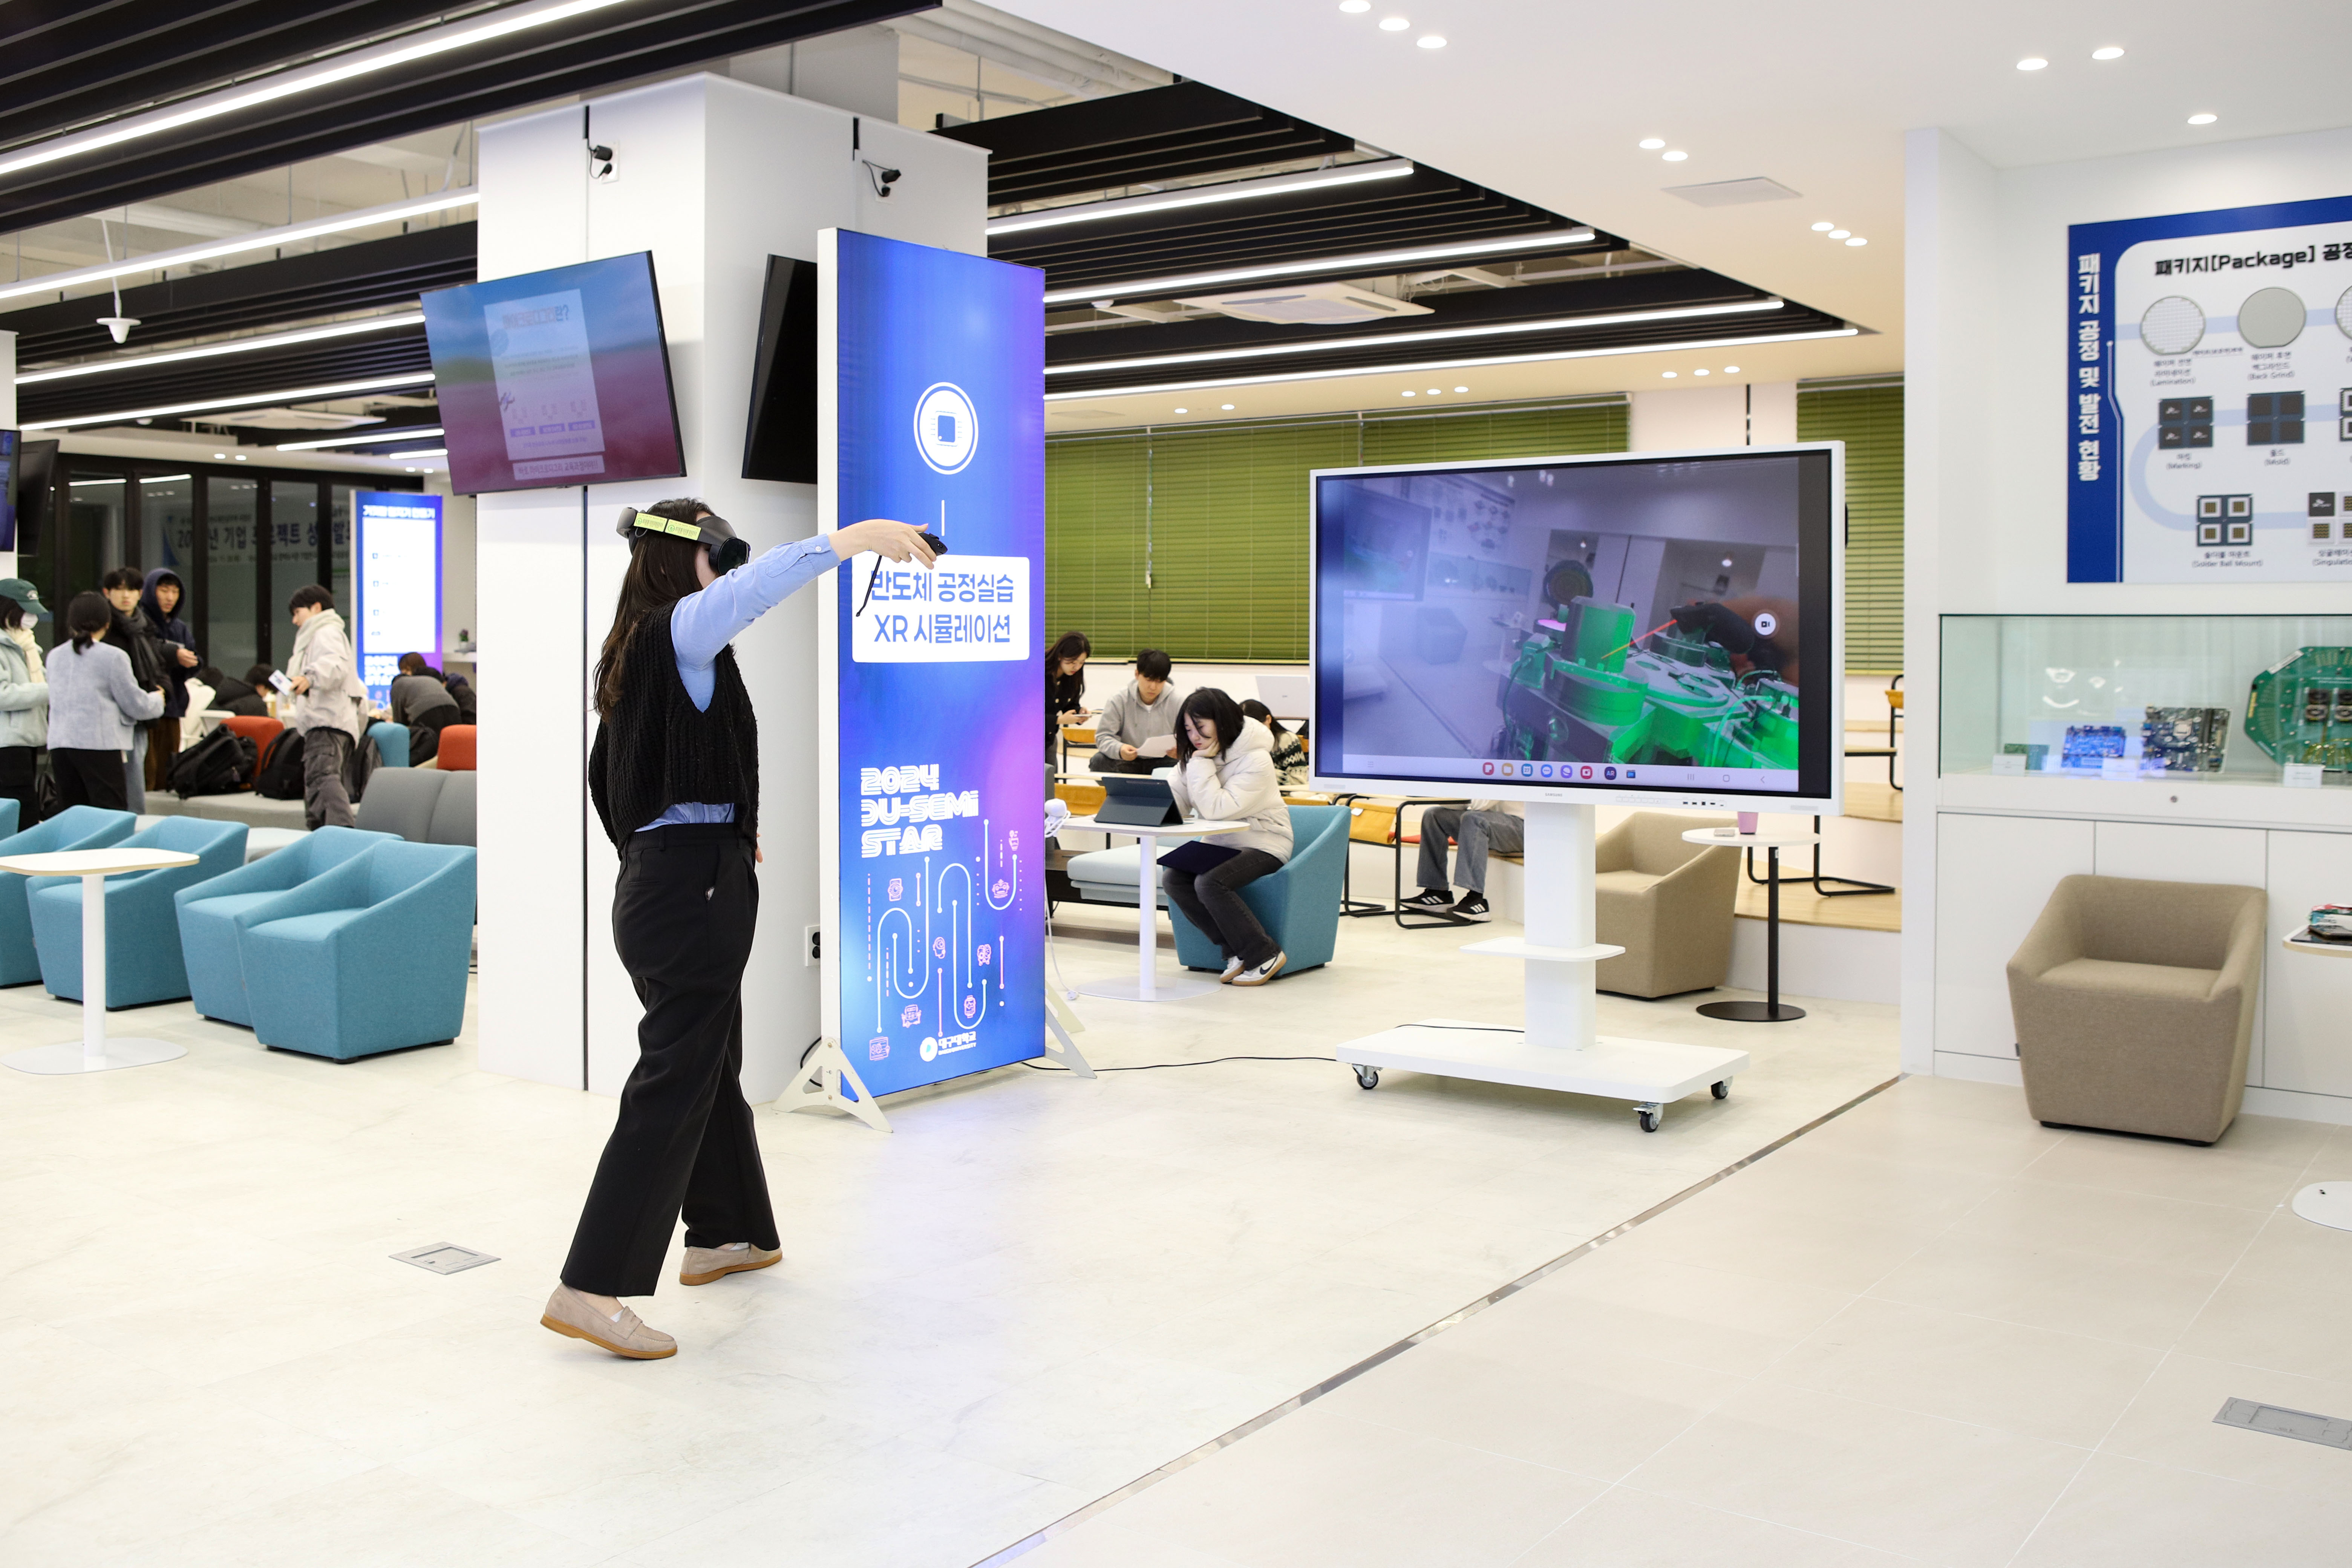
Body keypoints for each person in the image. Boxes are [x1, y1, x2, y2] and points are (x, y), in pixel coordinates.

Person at [545, 498, 936, 1361]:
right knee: (675, 1078)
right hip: (689, 890)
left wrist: (692, 843)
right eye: (714, 550)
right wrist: (851, 542)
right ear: (680, 558)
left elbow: (608, 779)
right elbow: (756, 589)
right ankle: (591, 1284)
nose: (724, 566)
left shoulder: (633, 649)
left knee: (707, 1058)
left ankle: (728, 1231)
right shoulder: (678, 632)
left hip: (667, 883)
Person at [1162, 687, 1292, 987]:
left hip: (1264, 841)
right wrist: (1154, 804)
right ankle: (1234, 951)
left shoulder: (1257, 759)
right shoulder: (1197, 756)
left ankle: (1264, 954)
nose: (1195, 736)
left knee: (1210, 882)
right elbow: (1177, 800)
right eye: (1188, 729)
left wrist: (1199, 763)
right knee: (1174, 879)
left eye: (1200, 727)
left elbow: (1217, 810)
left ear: (1221, 720)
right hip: (1221, 842)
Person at [45, 591, 163, 812]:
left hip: (61, 745)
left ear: (71, 623)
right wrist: (157, 700)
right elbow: (135, 704)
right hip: (100, 745)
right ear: (107, 623)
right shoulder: (113, 656)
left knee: (73, 813)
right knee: (110, 813)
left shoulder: (55, 656)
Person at [284, 585, 370, 829]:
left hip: (327, 721)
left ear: (316, 608)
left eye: (297, 612)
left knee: (322, 779)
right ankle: (323, 834)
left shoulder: (325, 632)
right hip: (329, 721)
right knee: (318, 783)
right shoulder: (321, 634)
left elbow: (335, 665)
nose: (295, 621)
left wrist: (309, 677)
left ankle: (343, 833)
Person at [100, 567, 167, 810]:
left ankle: (135, 821)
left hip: (142, 713)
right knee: (124, 778)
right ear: (107, 593)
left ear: (140, 594)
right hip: (113, 715)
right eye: (119, 589)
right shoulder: (104, 628)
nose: (125, 595)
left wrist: (163, 691)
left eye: (131, 590)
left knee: (137, 773)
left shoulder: (144, 626)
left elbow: (158, 664)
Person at [1399, 799, 1525, 922]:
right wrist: (1434, 796)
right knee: (1434, 815)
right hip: (1495, 823)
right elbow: (1463, 804)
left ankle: (1476, 899)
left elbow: (1481, 804)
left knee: (1474, 819)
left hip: (1524, 830)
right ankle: (1437, 893)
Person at [138, 568, 200, 791]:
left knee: (168, 772)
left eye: (175, 592)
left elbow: (195, 659)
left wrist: (192, 662)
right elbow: (146, 653)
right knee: (147, 772)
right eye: (164, 591)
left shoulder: (179, 628)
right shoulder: (140, 622)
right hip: (147, 709)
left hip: (173, 707)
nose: (170, 598)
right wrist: (173, 654)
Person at [0, 579, 51, 825]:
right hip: (7, 745)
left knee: (26, 810)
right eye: (25, 611)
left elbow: (41, 679)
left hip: (28, 740)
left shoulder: (27, 644)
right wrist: (49, 690)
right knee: (20, 815)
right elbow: (3, 695)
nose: (31, 618)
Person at [1089, 648, 1182, 774]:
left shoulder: (1178, 702)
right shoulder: (1119, 700)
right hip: (1129, 761)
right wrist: (1120, 749)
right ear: (1137, 674)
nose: (1153, 687)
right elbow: (1103, 737)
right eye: (1149, 680)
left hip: (1164, 760)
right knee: (1099, 761)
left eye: (1160, 682)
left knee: (1189, 764)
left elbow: (1190, 738)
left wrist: (1180, 750)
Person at [384, 652, 461, 763]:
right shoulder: (427, 679)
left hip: (427, 711)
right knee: (452, 749)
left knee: (429, 747)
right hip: (453, 708)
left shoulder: (397, 686)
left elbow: (400, 723)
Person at [1044, 630, 1090, 762]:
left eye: (1082, 662)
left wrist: (1079, 712)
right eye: (1073, 662)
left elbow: (1069, 703)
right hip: (1027, 740)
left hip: (1049, 737)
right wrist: (1059, 720)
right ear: (1060, 655)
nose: (1077, 667)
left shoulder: (1072, 676)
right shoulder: (1038, 672)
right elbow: (1027, 716)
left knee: (1051, 773)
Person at [1240, 699, 1309, 786]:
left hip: (1281, 792)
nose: (1251, 732)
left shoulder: (1286, 739)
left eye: (1256, 727)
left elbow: (1299, 780)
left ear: (1268, 719)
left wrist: (1261, 772)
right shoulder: (1241, 743)